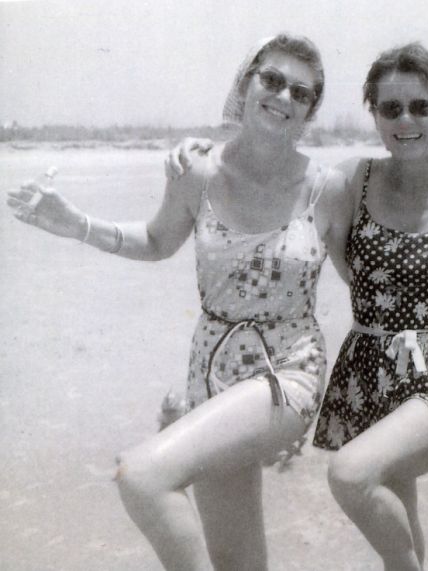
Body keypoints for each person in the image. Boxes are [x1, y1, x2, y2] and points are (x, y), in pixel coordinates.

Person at [166, 42, 428, 569]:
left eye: (420, 106)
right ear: (373, 113)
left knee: (352, 474)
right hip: (369, 370)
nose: (405, 119)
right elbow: (274, 167)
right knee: (397, 503)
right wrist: (200, 152)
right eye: (390, 108)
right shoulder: (352, 180)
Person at [7, 34, 350, 570]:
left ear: (310, 109)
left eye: (301, 93)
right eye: (272, 80)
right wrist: (77, 226)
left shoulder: (328, 187)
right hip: (209, 379)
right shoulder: (198, 170)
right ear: (246, 82)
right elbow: (157, 241)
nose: (283, 97)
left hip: (289, 374)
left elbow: (371, 280)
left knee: (140, 476)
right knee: (238, 562)